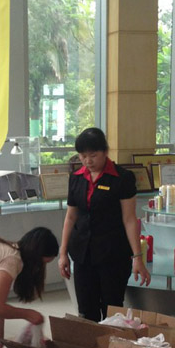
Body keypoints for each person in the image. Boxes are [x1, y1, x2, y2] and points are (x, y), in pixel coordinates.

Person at [58, 126, 151, 321]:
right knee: (86, 309)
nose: (88, 161)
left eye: (93, 155)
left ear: (105, 152)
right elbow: (71, 217)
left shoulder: (122, 178)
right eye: (83, 156)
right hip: (83, 254)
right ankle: (90, 342)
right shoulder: (76, 178)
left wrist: (137, 257)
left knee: (112, 308)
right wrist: (63, 252)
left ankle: (113, 340)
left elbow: (129, 219)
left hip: (113, 254)